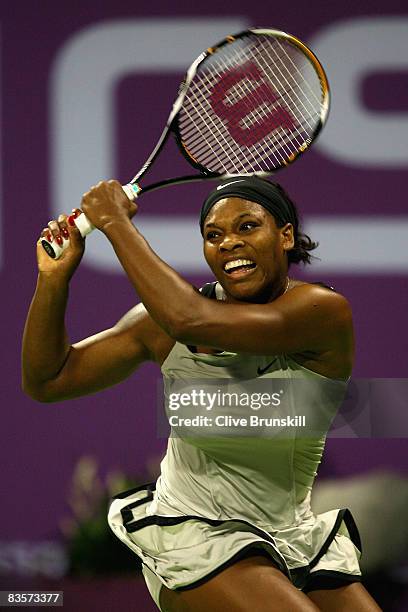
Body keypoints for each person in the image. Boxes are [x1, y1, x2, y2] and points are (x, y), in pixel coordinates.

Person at [22, 176, 381, 611]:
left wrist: (114, 222)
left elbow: (191, 321)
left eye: (247, 227)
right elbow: (49, 380)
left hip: (290, 536)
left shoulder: (322, 312)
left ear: (285, 236)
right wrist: (53, 281)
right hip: (193, 534)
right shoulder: (158, 325)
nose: (229, 242)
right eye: (214, 235)